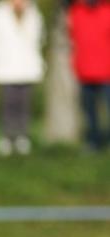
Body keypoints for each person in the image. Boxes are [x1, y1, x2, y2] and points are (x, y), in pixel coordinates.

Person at [0, 0, 45, 156]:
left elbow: (40, 38)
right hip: (6, 67)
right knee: (8, 104)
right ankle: (7, 137)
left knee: (24, 104)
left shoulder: (34, 14)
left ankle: (23, 137)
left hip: (27, 67)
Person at [68, 0, 110, 152]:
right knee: (89, 111)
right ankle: (93, 141)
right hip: (84, 71)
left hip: (107, 70)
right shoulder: (75, 11)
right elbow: (72, 38)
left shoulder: (107, 9)